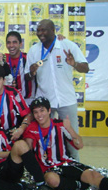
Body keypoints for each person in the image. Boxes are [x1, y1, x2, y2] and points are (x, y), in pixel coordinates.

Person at [23, 97, 108, 190]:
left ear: (49, 110)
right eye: (36, 112)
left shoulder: (60, 125)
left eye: (42, 110)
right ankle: (83, 185)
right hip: (47, 169)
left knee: (93, 174)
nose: (39, 115)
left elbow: (80, 145)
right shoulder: (31, 128)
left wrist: (69, 129)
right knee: (52, 180)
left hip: (65, 163)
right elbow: (28, 152)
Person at [25, 19, 89, 161]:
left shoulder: (67, 45)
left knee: (71, 138)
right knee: (44, 137)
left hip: (66, 100)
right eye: (38, 30)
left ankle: (76, 167)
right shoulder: (34, 50)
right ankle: (46, 166)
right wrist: (32, 72)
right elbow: (27, 77)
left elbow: (86, 67)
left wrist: (74, 64)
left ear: (53, 30)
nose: (40, 33)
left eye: (44, 30)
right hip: (45, 102)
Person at [0, 104, 58, 190]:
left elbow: (15, 152)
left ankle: (41, 184)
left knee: (20, 144)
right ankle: (20, 188)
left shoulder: (1, 133)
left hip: (7, 167)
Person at [5, 31, 36, 104]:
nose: (11, 45)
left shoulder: (29, 58)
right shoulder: (3, 59)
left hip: (28, 100)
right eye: (8, 42)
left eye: (14, 42)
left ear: (21, 44)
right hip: (10, 100)